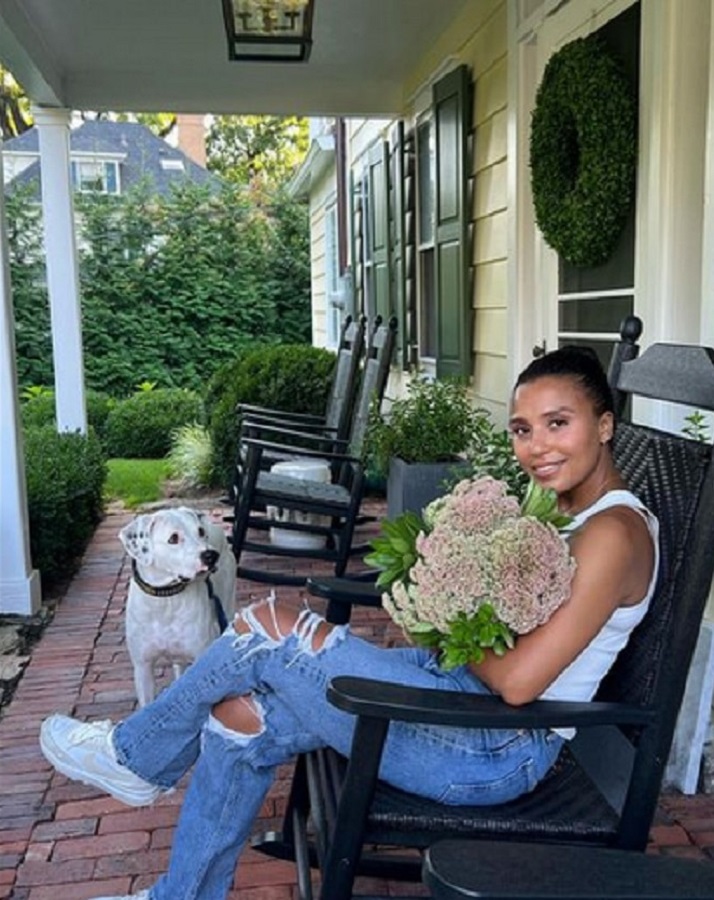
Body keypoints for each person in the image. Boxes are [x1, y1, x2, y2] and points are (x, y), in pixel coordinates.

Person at [39, 346, 659, 900]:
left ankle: (135, 755)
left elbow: (521, 683)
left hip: (496, 746)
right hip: (460, 701)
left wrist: (438, 610)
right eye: (523, 429)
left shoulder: (611, 533)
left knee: (269, 629)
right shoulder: (556, 512)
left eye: (559, 423)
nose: (537, 446)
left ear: (604, 425)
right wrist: (448, 599)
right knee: (238, 717)